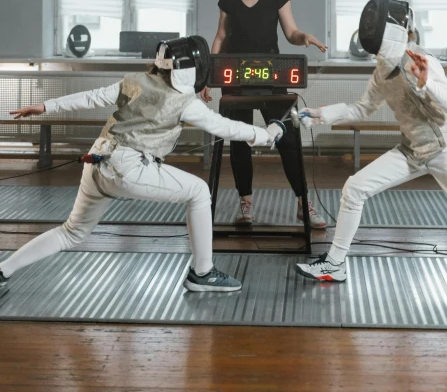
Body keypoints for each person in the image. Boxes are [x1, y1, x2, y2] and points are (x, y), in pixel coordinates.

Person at [0, 36, 283, 295]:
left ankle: (3, 270)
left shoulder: (135, 80)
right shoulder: (185, 102)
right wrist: (265, 134)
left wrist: (46, 106)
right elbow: (225, 127)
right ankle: (203, 273)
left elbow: (92, 97)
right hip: (128, 168)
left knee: (72, 232)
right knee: (198, 192)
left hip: (97, 160)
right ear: (191, 70)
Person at [294, 0, 447, 282]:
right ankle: (335, 264)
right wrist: (320, 114)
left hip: (443, 149)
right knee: (355, 188)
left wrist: (425, 83)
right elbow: (361, 108)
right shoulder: (382, 72)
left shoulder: (420, 60)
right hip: (412, 149)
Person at [201, 0, 328, 228]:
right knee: (239, 141)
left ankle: (302, 203)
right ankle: (246, 204)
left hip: (271, 76)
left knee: (287, 138)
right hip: (234, 74)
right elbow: (220, 37)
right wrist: (208, 74)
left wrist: (304, 37)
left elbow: (291, 32)